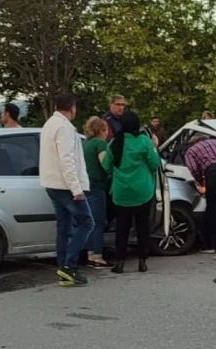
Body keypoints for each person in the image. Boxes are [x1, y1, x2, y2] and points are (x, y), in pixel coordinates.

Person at [39, 94, 94, 287]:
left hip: (51, 183)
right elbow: (67, 160)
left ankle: (63, 267)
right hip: (65, 185)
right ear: (72, 108)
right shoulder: (64, 128)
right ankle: (69, 265)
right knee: (87, 222)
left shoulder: (49, 125)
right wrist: (76, 188)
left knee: (64, 226)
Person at [103, 111, 161, 274]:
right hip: (143, 190)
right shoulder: (144, 142)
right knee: (143, 227)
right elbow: (154, 163)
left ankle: (120, 263)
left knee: (122, 228)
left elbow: (107, 166)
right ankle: (142, 262)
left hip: (121, 192)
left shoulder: (114, 143)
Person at [82, 116, 110, 268]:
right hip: (97, 185)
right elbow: (105, 164)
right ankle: (98, 256)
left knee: (89, 221)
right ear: (102, 130)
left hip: (85, 185)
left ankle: (90, 253)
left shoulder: (85, 143)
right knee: (98, 222)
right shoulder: (100, 144)